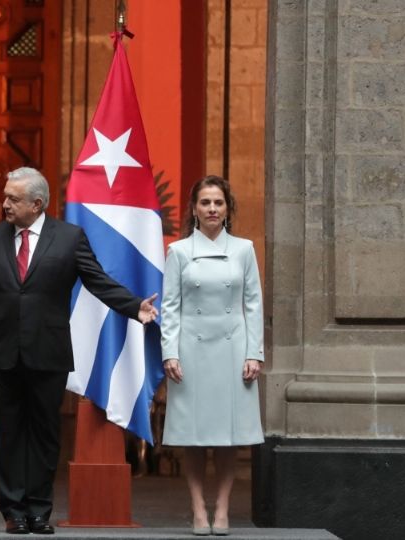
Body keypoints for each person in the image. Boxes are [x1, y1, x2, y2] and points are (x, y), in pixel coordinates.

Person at [0, 167, 158, 535]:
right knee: (7, 435)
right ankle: (13, 511)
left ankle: (39, 510)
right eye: (5, 196)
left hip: (48, 352)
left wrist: (135, 307)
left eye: (13, 199)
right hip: (2, 353)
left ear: (37, 204)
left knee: (43, 434)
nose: (4, 204)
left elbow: (97, 280)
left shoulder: (69, 238)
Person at [160, 175, 264, 536]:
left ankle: (222, 509)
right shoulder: (178, 252)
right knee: (194, 434)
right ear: (194, 209)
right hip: (191, 350)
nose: (212, 209)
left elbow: (253, 303)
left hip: (233, 350)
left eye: (218, 202)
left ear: (228, 208)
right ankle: (197, 509)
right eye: (205, 202)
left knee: (228, 434)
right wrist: (169, 353)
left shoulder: (244, 249)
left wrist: (255, 353)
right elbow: (170, 307)